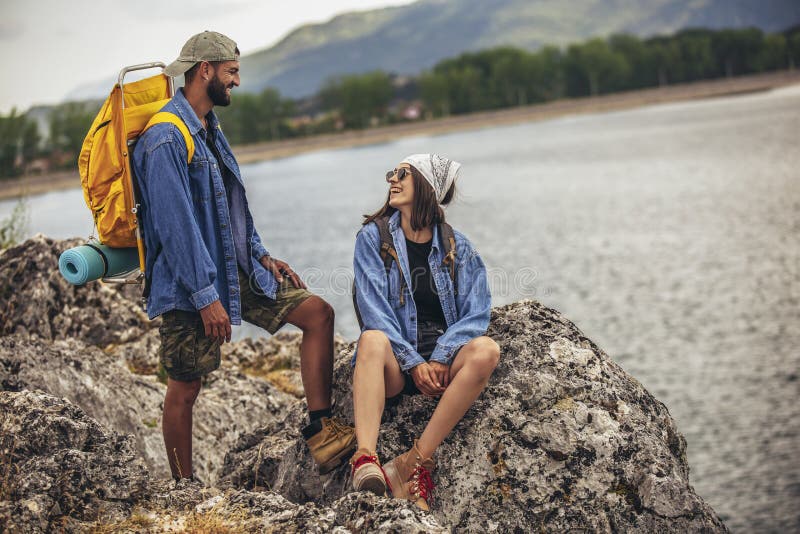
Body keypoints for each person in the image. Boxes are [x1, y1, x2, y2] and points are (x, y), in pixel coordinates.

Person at [132, 31, 355, 482]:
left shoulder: (209, 126)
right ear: (205, 70)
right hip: (188, 283)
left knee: (318, 314)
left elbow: (231, 206)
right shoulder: (163, 140)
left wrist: (261, 255)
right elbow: (176, 230)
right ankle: (184, 487)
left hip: (237, 270)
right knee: (186, 385)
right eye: (231, 72)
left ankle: (321, 431)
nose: (236, 81)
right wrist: (204, 297)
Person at [349, 154, 501, 510]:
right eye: (392, 172)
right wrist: (415, 362)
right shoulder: (372, 240)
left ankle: (414, 462)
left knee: (486, 351)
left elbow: (476, 313)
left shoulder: (457, 246)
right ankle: (366, 459)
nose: (392, 179)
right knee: (371, 339)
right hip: (396, 368)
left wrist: (442, 356)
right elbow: (374, 312)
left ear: (427, 187)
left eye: (403, 174)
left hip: (441, 365)